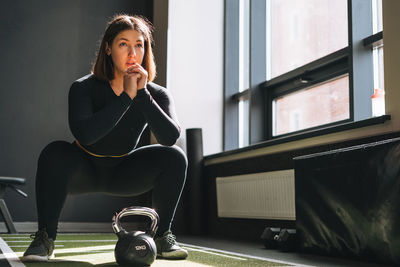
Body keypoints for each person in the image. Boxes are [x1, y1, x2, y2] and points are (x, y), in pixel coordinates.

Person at [22, 14, 188, 261]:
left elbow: (169, 136)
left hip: (124, 170)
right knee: (53, 153)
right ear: (108, 48)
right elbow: (86, 135)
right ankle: (45, 238)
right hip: (83, 169)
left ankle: (163, 237)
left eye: (139, 44)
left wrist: (141, 95)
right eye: (123, 44)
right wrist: (126, 98)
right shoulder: (83, 88)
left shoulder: (156, 94)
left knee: (175, 157)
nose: (133, 52)